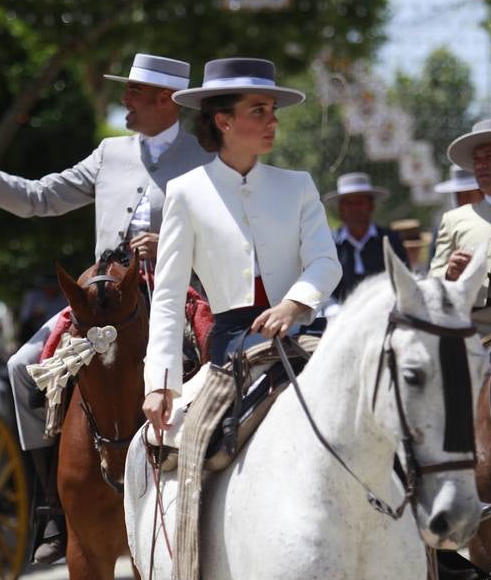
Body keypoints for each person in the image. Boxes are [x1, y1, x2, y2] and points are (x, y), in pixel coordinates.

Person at [0, 53, 214, 562]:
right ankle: (52, 510)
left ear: (165, 99)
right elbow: (39, 197)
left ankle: (212, 496)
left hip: (173, 295)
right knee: (21, 368)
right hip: (100, 302)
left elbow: (227, 239)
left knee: (217, 366)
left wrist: (176, 245)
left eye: (133, 91)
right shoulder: (109, 153)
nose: (124, 99)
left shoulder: (205, 160)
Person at [142, 56, 342, 438]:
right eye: (259, 111)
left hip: (306, 330)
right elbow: (168, 296)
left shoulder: (298, 184)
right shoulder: (185, 192)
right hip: (233, 346)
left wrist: (292, 304)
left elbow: (325, 261)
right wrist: (160, 382)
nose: (273, 121)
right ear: (224, 120)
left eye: (272, 111)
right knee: (202, 446)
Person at [429, 118, 491, 336]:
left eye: (490, 157)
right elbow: (432, 284)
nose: (481, 164)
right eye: (476, 159)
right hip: (469, 336)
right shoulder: (453, 219)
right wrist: (449, 273)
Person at [323, 172, 409, 305]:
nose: (354, 208)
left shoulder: (391, 240)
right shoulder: (329, 244)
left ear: (371, 206)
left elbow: (403, 279)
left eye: (359, 202)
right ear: (340, 208)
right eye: (348, 203)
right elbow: (323, 285)